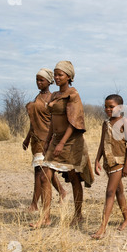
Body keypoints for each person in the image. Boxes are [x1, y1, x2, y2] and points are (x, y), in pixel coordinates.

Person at [30, 61, 94, 228]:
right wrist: (49, 141)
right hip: (56, 141)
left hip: (71, 141)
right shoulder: (54, 96)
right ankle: (46, 217)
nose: (57, 77)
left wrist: (62, 143)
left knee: (74, 178)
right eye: (56, 74)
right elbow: (52, 121)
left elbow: (74, 122)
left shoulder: (73, 95)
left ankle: (78, 214)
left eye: (60, 75)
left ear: (69, 77)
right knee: (45, 176)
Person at [23, 68, 66, 212]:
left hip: (47, 139)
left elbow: (56, 120)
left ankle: (34, 204)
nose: (38, 83)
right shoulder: (37, 98)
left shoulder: (52, 98)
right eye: (37, 80)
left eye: (41, 80)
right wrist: (27, 139)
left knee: (40, 172)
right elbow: (33, 122)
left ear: (49, 81)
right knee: (44, 170)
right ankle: (62, 192)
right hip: (36, 140)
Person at [92, 94, 127, 239]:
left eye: (111, 106)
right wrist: (97, 160)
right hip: (108, 162)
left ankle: (102, 227)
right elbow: (102, 143)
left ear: (120, 108)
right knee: (118, 191)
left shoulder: (124, 122)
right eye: (106, 106)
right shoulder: (106, 123)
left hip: (119, 161)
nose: (108, 109)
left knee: (110, 192)